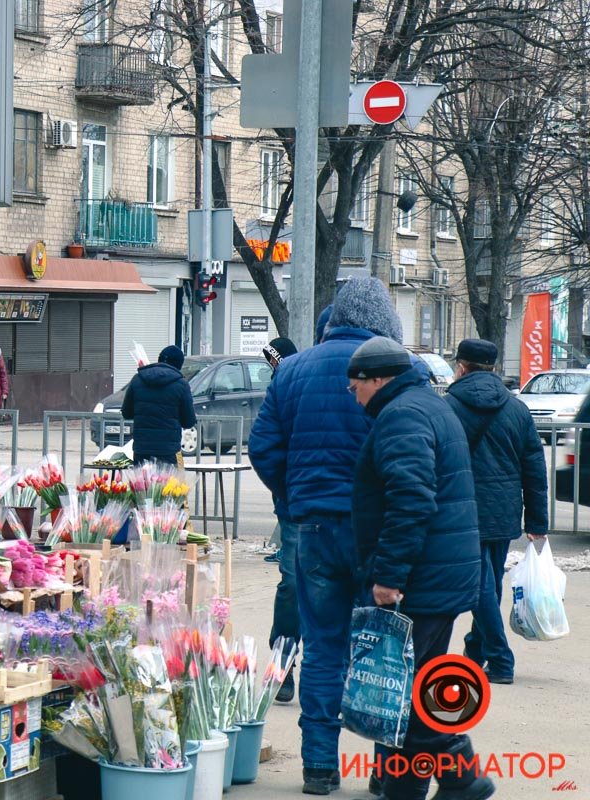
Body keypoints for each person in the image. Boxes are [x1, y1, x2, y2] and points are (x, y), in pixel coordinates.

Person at [247, 276, 404, 795]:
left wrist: (293, 500)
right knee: (385, 651)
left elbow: (264, 447)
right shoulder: (400, 370)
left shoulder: (291, 370)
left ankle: (319, 767)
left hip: (312, 527)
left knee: (323, 648)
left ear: (335, 317)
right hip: (377, 537)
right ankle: (386, 771)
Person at [348, 337, 490, 800]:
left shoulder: (403, 415)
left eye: (356, 387)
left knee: (409, 696)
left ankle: (433, 783)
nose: (354, 395)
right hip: (438, 573)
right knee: (419, 687)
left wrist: (388, 577)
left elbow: (410, 502)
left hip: (421, 580)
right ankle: (459, 779)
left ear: (378, 379)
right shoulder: (425, 403)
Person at [445, 338, 548, 685]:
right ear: (493, 367)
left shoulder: (449, 407)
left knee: (479, 585)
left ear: (461, 367)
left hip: (463, 510)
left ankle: (500, 659)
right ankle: (475, 652)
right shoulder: (517, 409)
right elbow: (534, 468)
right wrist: (537, 522)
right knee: (488, 582)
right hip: (504, 510)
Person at [256, 336, 300, 702]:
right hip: (301, 507)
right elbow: (265, 447)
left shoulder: (288, 381)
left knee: (294, 586)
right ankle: (283, 669)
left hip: (301, 506)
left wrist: (283, 489)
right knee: (295, 585)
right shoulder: (287, 384)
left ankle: (286, 669)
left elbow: (264, 448)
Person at [120, 345, 195, 466]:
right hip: (169, 451)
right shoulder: (181, 384)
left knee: (143, 484)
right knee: (172, 484)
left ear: (159, 359)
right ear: (179, 365)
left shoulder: (138, 379)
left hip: (141, 449)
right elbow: (189, 421)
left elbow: (126, 413)